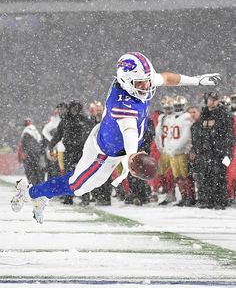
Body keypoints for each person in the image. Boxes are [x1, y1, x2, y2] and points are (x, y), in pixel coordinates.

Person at [11, 52, 222, 223]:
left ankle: (41, 194)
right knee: (76, 185)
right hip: (103, 152)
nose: (146, 87)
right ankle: (30, 192)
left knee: (86, 185)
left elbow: (166, 78)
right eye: (140, 84)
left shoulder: (137, 82)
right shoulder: (124, 106)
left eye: (147, 81)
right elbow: (129, 132)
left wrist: (197, 80)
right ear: (126, 81)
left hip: (113, 145)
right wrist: (132, 157)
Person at [192, 92, 234, 209]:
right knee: (204, 177)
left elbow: (229, 135)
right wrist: (195, 149)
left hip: (218, 152)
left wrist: (227, 153)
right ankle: (206, 200)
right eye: (211, 99)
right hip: (204, 152)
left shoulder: (224, 114)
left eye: (215, 99)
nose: (212, 101)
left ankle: (219, 201)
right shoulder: (204, 115)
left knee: (219, 177)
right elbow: (197, 134)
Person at [17, 118, 44, 185]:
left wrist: (23, 155)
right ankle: (38, 185)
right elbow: (40, 142)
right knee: (37, 170)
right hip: (36, 154)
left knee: (30, 171)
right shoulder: (35, 130)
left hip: (30, 155)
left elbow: (23, 145)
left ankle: (33, 185)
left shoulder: (27, 131)